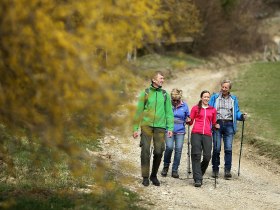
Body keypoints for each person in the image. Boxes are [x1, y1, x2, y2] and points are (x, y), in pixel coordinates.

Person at [133, 71, 174, 187]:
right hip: (146, 125)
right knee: (145, 150)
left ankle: (154, 175)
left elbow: (169, 113)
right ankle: (145, 176)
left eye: (163, 79)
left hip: (160, 127)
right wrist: (135, 128)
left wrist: (170, 127)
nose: (162, 80)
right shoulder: (145, 93)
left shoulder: (165, 94)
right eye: (161, 78)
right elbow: (138, 111)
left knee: (159, 151)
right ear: (154, 80)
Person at [209, 79, 247, 179]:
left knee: (228, 149)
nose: (224, 89)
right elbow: (210, 110)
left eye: (226, 87)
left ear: (229, 88)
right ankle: (215, 170)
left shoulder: (233, 99)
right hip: (217, 124)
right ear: (221, 87)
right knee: (216, 148)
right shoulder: (215, 97)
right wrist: (212, 123)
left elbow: (236, 112)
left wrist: (241, 116)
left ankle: (227, 171)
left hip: (229, 124)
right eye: (223, 87)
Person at [188, 90, 219, 187]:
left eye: (208, 97)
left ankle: (199, 173)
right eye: (205, 97)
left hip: (207, 134)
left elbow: (213, 123)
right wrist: (188, 120)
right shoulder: (195, 108)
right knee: (196, 155)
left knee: (207, 157)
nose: (206, 98)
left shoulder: (213, 110)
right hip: (196, 133)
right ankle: (198, 179)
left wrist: (216, 125)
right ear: (201, 97)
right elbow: (190, 122)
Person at [161, 88, 190, 178]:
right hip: (168, 130)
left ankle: (175, 170)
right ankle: (165, 167)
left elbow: (187, 117)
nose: (175, 102)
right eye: (173, 100)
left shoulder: (184, 105)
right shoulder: (168, 104)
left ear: (180, 98)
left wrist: (188, 119)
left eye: (177, 100)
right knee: (169, 147)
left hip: (180, 131)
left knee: (178, 149)